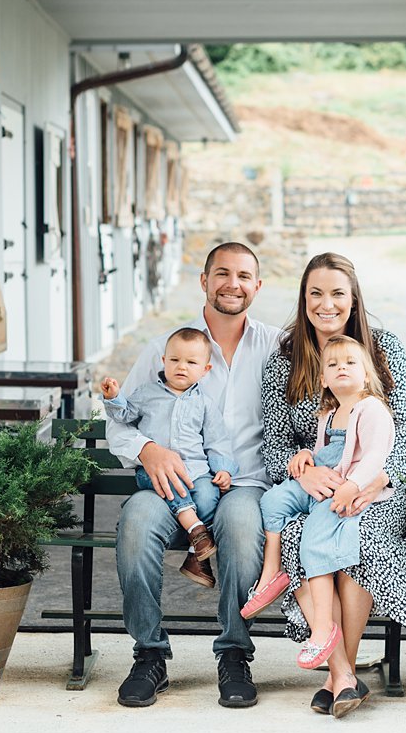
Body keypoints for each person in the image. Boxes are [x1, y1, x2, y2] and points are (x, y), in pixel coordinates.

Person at [260, 251, 406, 718]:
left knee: (360, 532)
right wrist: (302, 467)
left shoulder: (384, 348)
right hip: (317, 483)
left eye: (337, 293)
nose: (327, 304)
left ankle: (335, 672)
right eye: (316, 294)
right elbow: (274, 443)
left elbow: (404, 428)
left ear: (354, 298)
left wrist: (371, 480)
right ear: (303, 299)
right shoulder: (284, 359)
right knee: (300, 536)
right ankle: (343, 674)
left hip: (384, 479)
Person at [107, 241, 280, 709]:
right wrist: (147, 449)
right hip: (169, 483)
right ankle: (149, 655)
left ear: (257, 286)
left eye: (244, 276)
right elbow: (119, 420)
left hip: (242, 482)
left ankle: (234, 655)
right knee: (136, 528)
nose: (233, 284)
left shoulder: (276, 347)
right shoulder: (168, 347)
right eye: (222, 273)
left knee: (245, 532)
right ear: (203, 281)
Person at [243, 336, 394, 699]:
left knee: (313, 539)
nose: (342, 368)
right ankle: (272, 572)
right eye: (333, 364)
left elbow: (376, 455)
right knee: (274, 502)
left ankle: (323, 628)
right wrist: (305, 455)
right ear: (323, 378)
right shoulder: (329, 413)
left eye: (351, 363)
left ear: (367, 374)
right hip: (324, 479)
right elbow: (328, 452)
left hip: (348, 488)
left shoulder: (372, 408)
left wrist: (353, 486)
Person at [98, 327, 238, 588]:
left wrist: (223, 469)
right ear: (163, 361)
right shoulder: (147, 393)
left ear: (205, 370)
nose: (181, 367)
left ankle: (196, 554)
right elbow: (124, 416)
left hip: (195, 471)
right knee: (172, 487)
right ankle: (196, 530)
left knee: (209, 496)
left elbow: (217, 440)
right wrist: (114, 397)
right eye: (174, 360)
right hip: (154, 472)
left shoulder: (205, 403)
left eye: (191, 362)